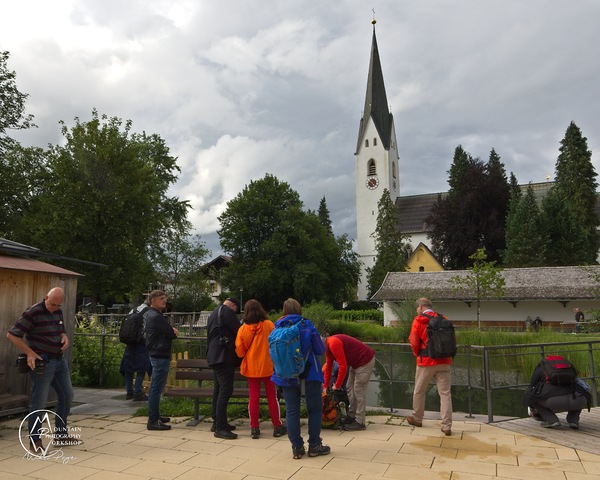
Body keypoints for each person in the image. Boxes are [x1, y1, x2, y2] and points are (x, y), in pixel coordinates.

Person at [6, 287, 81, 451]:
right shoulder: (33, 312)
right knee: (39, 402)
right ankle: (35, 441)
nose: (54, 307)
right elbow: (12, 335)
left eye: (58, 305)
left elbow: (61, 330)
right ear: (46, 297)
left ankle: (61, 436)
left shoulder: (58, 311)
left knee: (67, 396)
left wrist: (64, 337)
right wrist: (30, 353)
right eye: (52, 304)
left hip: (60, 361)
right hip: (43, 362)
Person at [271, 298, 329, 459]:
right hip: (310, 373)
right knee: (315, 410)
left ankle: (297, 447)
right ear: (299, 309)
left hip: (286, 376)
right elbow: (320, 350)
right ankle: (314, 445)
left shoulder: (276, 327)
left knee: (291, 411)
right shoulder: (307, 325)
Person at [235, 299, 287, 439]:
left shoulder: (243, 329)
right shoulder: (269, 325)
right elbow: (276, 343)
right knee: (272, 397)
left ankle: (254, 428)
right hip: (268, 366)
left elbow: (239, 352)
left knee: (254, 397)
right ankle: (277, 426)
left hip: (251, 368)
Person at [407, 297, 453, 436]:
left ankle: (417, 418)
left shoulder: (419, 320)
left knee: (419, 391)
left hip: (426, 361)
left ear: (420, 306)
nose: (417, 310)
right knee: (445, 394)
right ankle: (446, 426)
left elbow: (414, 341)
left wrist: (417, 354)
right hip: (444, 360)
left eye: (417, 308)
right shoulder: (443, 318)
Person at [322, 334, 375, 431]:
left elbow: (343, 366)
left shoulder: (333, 343)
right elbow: (329, 367)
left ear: (323, 343)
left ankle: (360, 421)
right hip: (355, 363)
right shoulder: (328, 347)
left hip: (365, 361)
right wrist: (325, 386)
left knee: (359, 390)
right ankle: (352, 415)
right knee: (349, 387)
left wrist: (337, 385)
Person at [206, 297, 242, 439]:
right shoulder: (227, 311)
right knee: (226, 390)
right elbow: (238, 331)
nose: (236, 314)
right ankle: (220, 428)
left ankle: (217, 422)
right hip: (223, 356)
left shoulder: (214, 312)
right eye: (236, 311)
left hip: (214, 355)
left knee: (218, 389)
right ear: (233, 305)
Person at [524, 358, 591, 429]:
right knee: (579, 393)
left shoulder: (541, 368)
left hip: (554, 401)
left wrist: (532, 408)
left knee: (532, 397)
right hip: (579, 400)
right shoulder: (569, 369)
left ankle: (551, 419)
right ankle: (573, 420)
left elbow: (531, 389)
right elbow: (586, 388)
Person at [145, 290, 178, 431]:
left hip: (156, 353)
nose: (164, 301)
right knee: (156, 388)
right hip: (160, 354)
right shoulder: (156, 316)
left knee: (156, 387)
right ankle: (153, 420)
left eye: (165, 298)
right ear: (153, 300)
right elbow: (171, 334)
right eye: (161, 298)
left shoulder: (152, 314)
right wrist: (173, 331)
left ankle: (156, 415)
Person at [120, 303, 152, 401]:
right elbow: (148, 328)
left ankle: (129, 392)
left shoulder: (133, 310)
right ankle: (138, 392)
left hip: (129, 342)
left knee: (128, 368)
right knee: (141, 368)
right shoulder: (148, 312)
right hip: (141, 342)